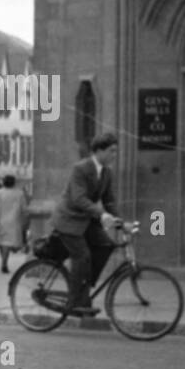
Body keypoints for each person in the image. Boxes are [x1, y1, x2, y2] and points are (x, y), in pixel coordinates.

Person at [52, 133, 120, 315]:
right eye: (111, 151)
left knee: (107, 244)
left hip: (85, 220)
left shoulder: (106, 172)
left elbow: (109, 199)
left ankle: (85, 286)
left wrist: (119, 220)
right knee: (82, 256)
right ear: (99, 150)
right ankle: (73, 302)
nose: (114, 155)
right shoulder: (81, 168)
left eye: (116, 151)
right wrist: (102, 214)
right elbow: (79, 198)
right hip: (69, 219)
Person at [0, 173, 30, 274]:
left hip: (0, 221)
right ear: (14, 183)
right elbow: (24, 208)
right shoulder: (19, 194)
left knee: (3, 243)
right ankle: (4, 263)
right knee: (8, 243)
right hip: (14, 222)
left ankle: (4, 262)